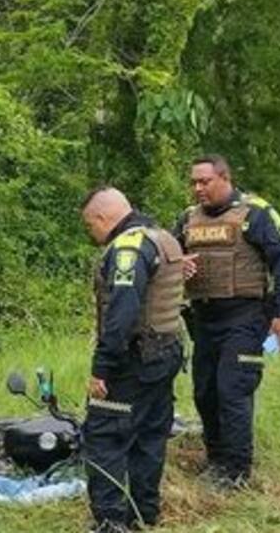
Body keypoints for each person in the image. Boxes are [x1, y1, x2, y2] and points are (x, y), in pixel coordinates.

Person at [172, 154, 280, 490]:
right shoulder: (187, 219)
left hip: (246, 319)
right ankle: (216, 460)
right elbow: (167, 257)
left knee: (233, 390)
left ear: (224, 178)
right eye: (194, 182)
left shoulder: (255, 213)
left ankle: (237, 471)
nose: (198, 188)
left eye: (205, 181)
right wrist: (179, 263)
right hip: (203, 320)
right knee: (205, 392)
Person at [80, 186, 192, 532]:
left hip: (133, 360)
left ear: (102, 217)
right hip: (166, 351)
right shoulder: (163, 238)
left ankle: (111, 522)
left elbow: (122, 314)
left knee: (104, 436)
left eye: (90, 226)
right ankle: (144, 514)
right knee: (149, 435)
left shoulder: (128, 248)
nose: (93, 234)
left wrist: (102, 367)